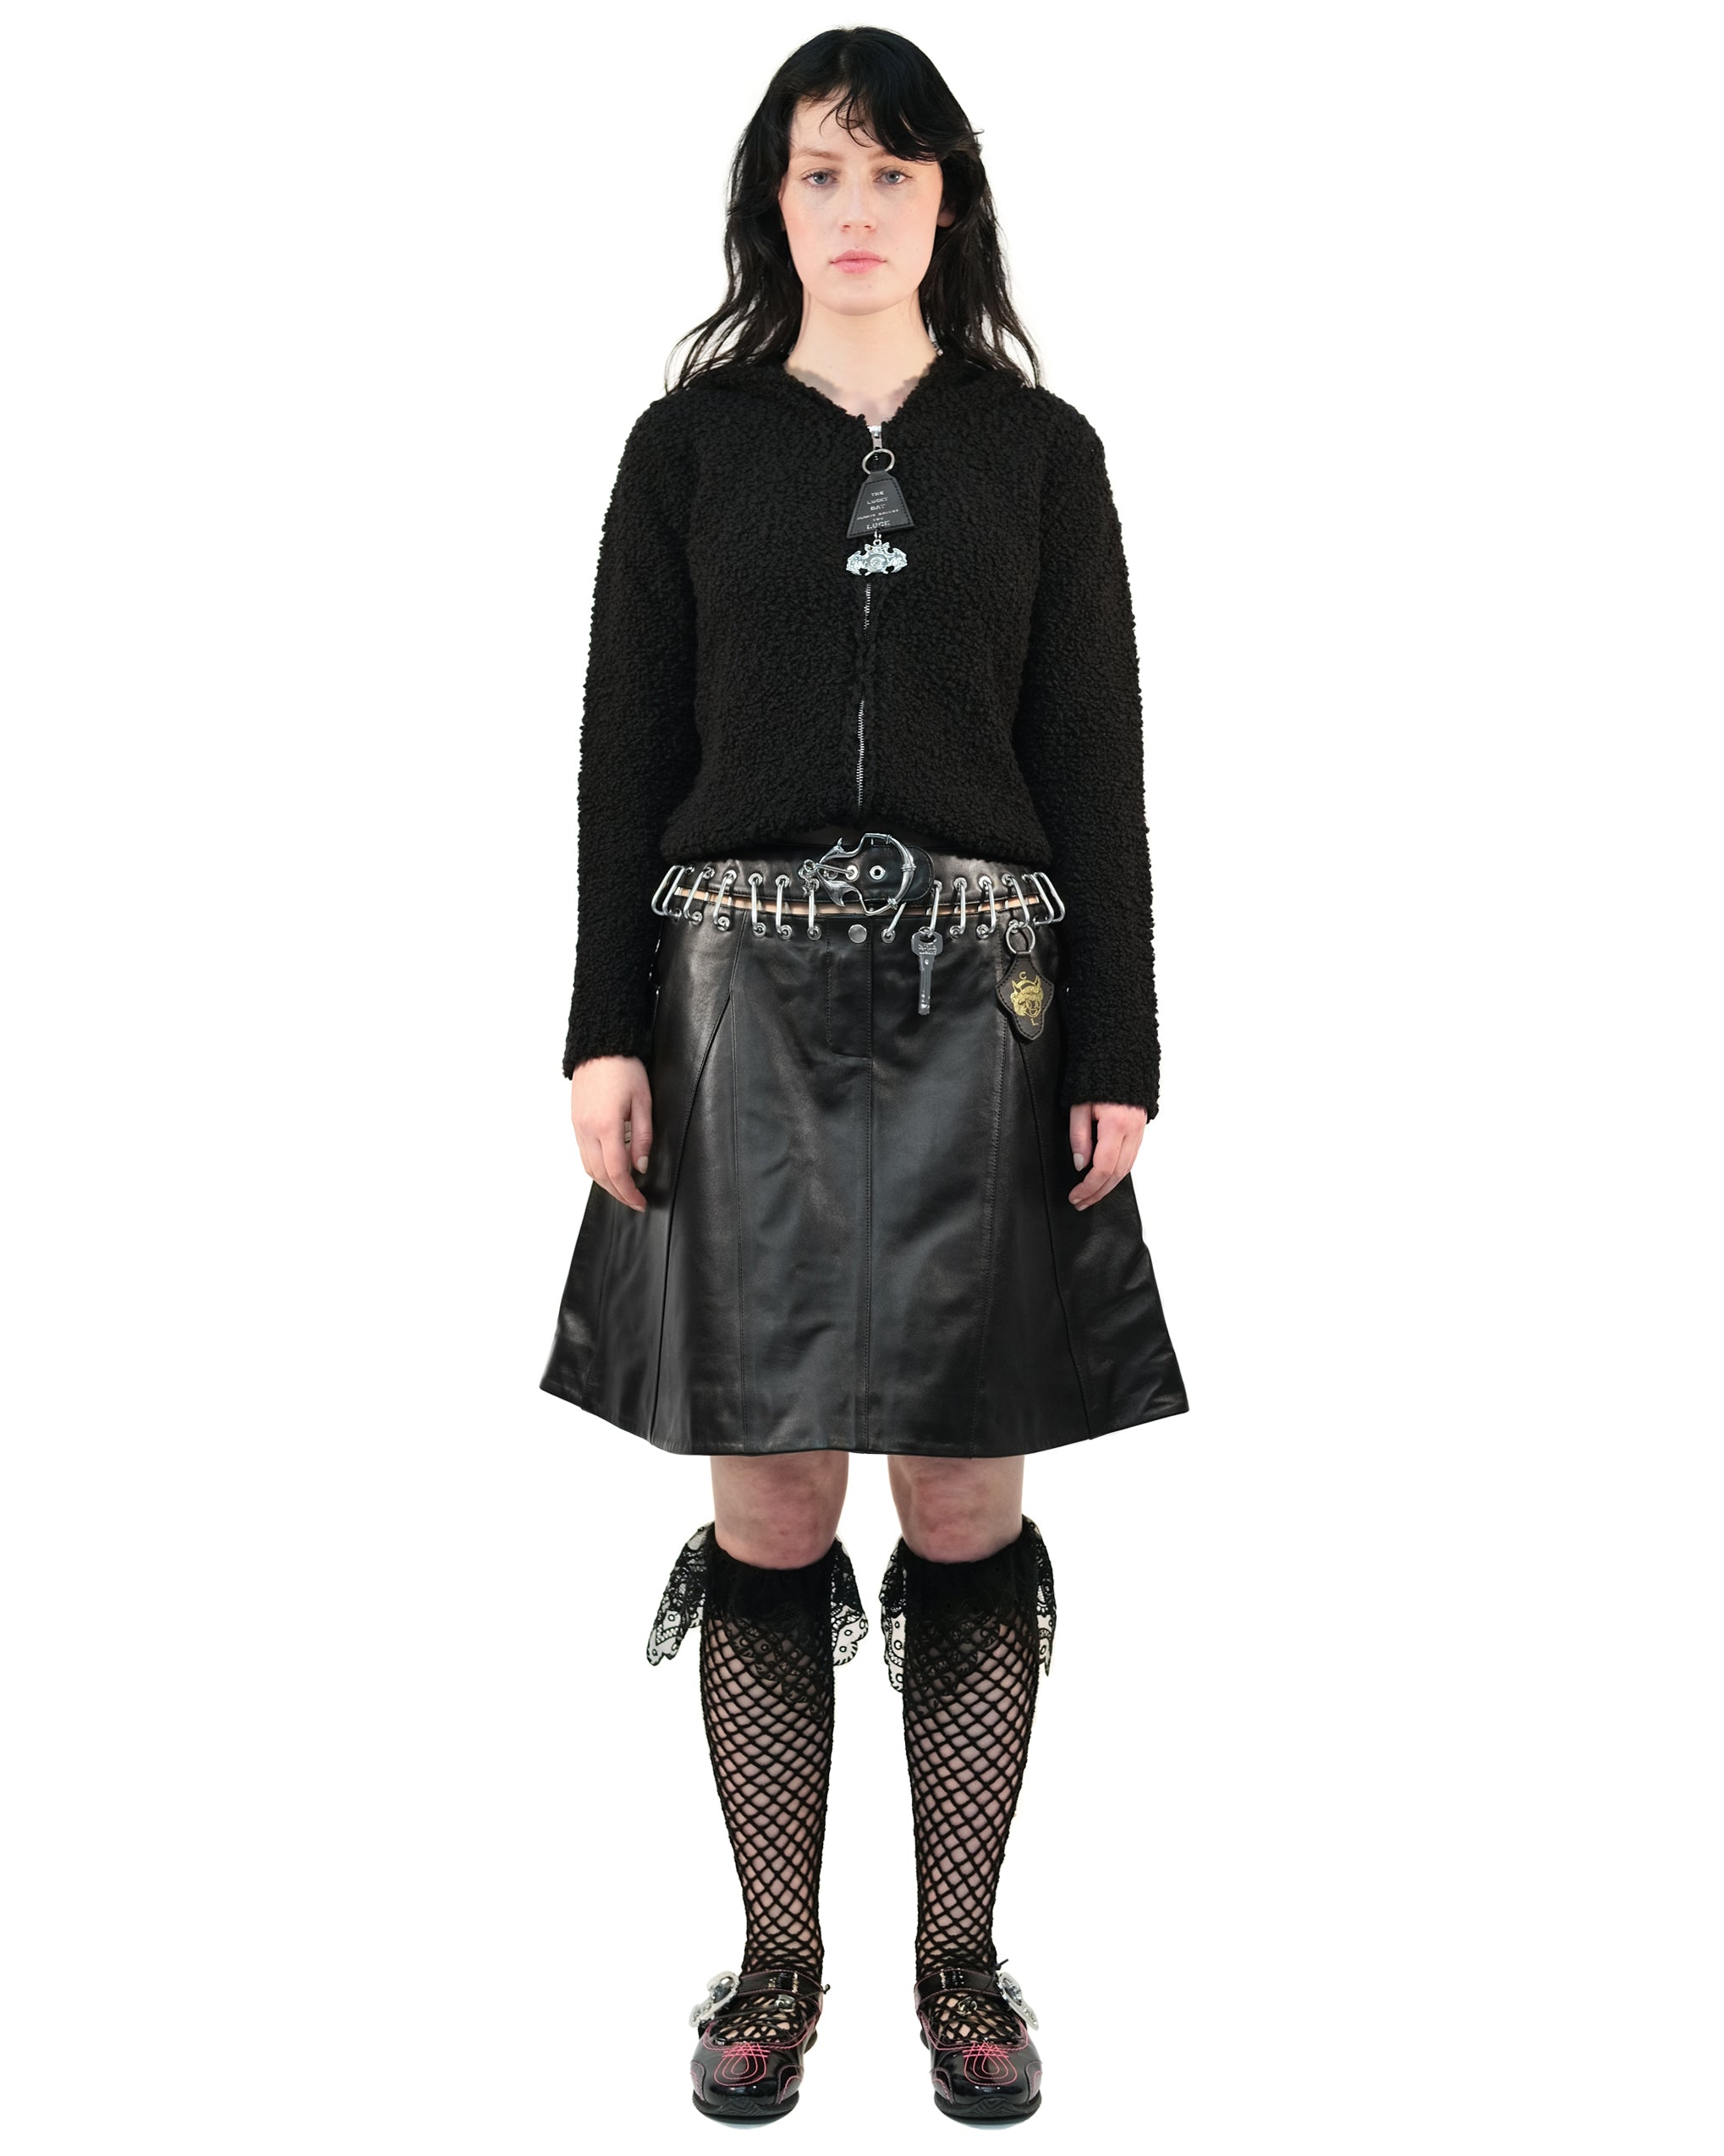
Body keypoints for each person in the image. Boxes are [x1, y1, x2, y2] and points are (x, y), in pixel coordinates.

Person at [540, 27, 1188, 2126]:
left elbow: (1091, 755)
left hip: (986, 1009)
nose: (852, 210)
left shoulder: (1037, 450)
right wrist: (601, 1026)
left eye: (890, 175)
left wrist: (1119, 1045)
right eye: (819, 172)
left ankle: (960, 1965)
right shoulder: (688, 446)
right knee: (768, 1489)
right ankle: (773, 1965)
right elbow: (622, 748)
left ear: (946, 203)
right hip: (732, 1002)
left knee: (966, 1487)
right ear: (772, 198)